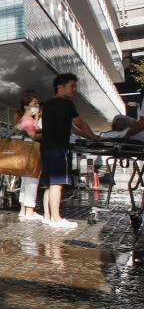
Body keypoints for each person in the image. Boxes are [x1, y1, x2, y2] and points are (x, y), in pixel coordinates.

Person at [39, 73, 97, 228]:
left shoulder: (48, 105)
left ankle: (47, 216)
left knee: (50, 184)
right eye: (72, 86)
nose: (75, 89)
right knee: (57, 183)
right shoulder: (66, 104)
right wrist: (95, 138)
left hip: (46, 148)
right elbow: (80, 124)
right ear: (60, 87)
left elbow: (74, 129)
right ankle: (56, 219)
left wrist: (91, 136)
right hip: (58, 149)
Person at [15, 94, 43, 221]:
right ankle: (30, 211)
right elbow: (33, 137)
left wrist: (36, 119)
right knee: (32, 182)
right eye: (35, 104)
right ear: (26, 106)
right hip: (31, 154)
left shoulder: (24, 119)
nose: (37, 106)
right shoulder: (27, 120)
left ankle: (23, 210)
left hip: (25, 155)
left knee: (26, 182)